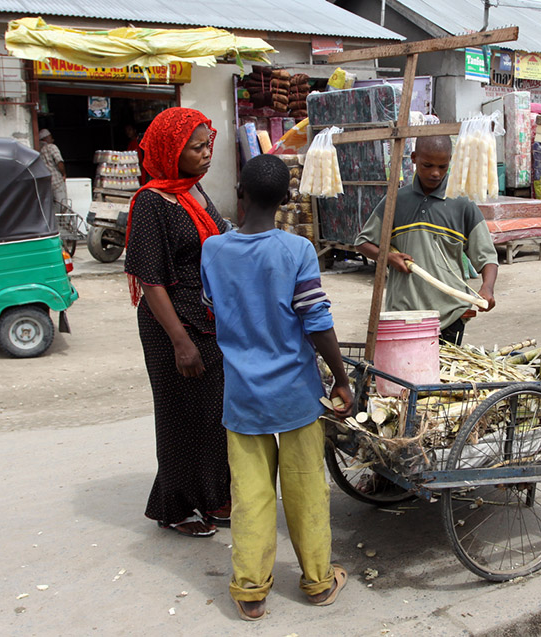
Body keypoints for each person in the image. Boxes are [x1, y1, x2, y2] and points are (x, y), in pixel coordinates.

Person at [200, 154, 353, 621]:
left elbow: (212, 306)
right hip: (294, 394)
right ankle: (318, 583)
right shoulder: (297, 250)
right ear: (287, 200)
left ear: (240, 195)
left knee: (251, 496)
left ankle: (250, 592)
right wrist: (342, 377)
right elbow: (317, 320)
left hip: (242, 396)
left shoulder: (213, 250)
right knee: (307, 489)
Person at [124, 107, 231, 537]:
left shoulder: (193, 191)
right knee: (180, 414)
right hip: (172, 324)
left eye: (209, 144)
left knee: (213, 411)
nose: (207, 153)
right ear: (172, 150)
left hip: (206, 317)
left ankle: (214, 496)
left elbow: (222, 238)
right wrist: (180, 341)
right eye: (197, 147)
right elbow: (151, 280)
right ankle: (177, 508)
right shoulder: (151, 201)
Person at [355, 135, 498, 345]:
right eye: (427, 165)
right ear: (414, 158)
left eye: (442, 166)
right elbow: (363, 242)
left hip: (450, 314)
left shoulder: (462, 203)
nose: (435, 173)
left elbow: (487, 256)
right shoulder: (396, 200)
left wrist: (487, 287)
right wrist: (388, 257)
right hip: (404, 314)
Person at [37, 129, 68, 216]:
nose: (52, 138)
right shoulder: (51, 147)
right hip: (56, 181)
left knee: (50, 208)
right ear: (46, 138)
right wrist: (63, 174)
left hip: (45, 183)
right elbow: (59, 162)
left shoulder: (38, 150)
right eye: (50, 136)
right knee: (62, 206)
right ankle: (64, 225)